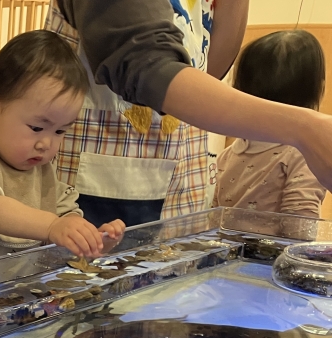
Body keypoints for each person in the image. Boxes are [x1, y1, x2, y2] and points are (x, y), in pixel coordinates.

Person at [46, 0, 332, 228]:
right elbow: (147, 67)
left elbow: (204, 71)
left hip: (180, 187)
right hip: (102, 191)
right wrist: (304, 128)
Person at [0, 31, 125, 268]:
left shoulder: (40, 167)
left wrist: (87, 239)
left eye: (60, 131)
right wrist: (52, 226)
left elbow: (63, 211)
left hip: (22, 288)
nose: (46, 143)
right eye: (36, 128)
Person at [213, 31, 327, 219]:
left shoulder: (228, 155)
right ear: (317, 90)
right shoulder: (303, 154)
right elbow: (300, 224)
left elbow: (214, 216)